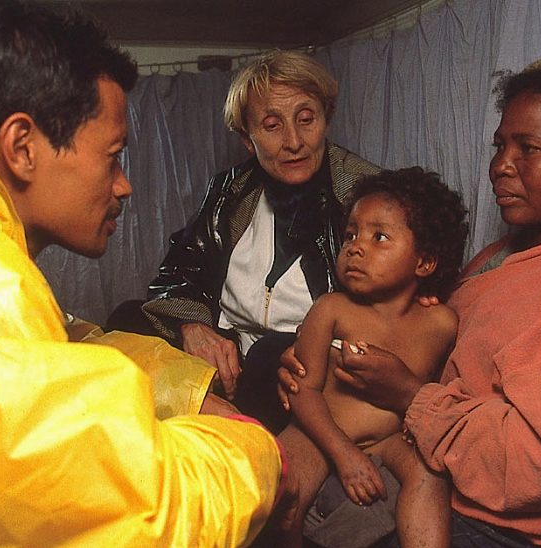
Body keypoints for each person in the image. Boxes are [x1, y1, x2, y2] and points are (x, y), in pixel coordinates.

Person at [0, 1, 293, 548]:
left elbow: (61, 345)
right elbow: (141, 517)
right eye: (112, 156)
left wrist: (189, 392)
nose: (125, 185)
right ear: (22, 148)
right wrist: (260, 453)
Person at [279, 51, 541, 548]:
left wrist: (410, 396)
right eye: (500, 145)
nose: (501, 166)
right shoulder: (507, 254)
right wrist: (320, 364)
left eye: (530, 148)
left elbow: (536, 471)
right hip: (435, 477)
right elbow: (432, 344)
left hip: (504, 532)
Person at [107, 49, 380, 432]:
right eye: (272, 125)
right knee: (127, 318)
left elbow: (395, 302)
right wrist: (194, 328)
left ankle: (241, 443)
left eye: (306, 120)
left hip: (304, 360)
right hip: (229, 348)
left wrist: (322, 348)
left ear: (326, 119)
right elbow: (179, 269)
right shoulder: (230, 191)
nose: (294, 141)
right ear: (247, 140)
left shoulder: (367, 193)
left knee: (272, 355)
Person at [272, 168, 468, 548]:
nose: (356, 247)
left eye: (379, 237)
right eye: (350, 235)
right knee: (285, 489)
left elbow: (435, 390)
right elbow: (303, 391)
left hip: (388, 438)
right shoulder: (331, 310)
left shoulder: (441, 322)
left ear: (424, 263)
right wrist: (343, 455)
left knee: (430, 475)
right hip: (319, 431)